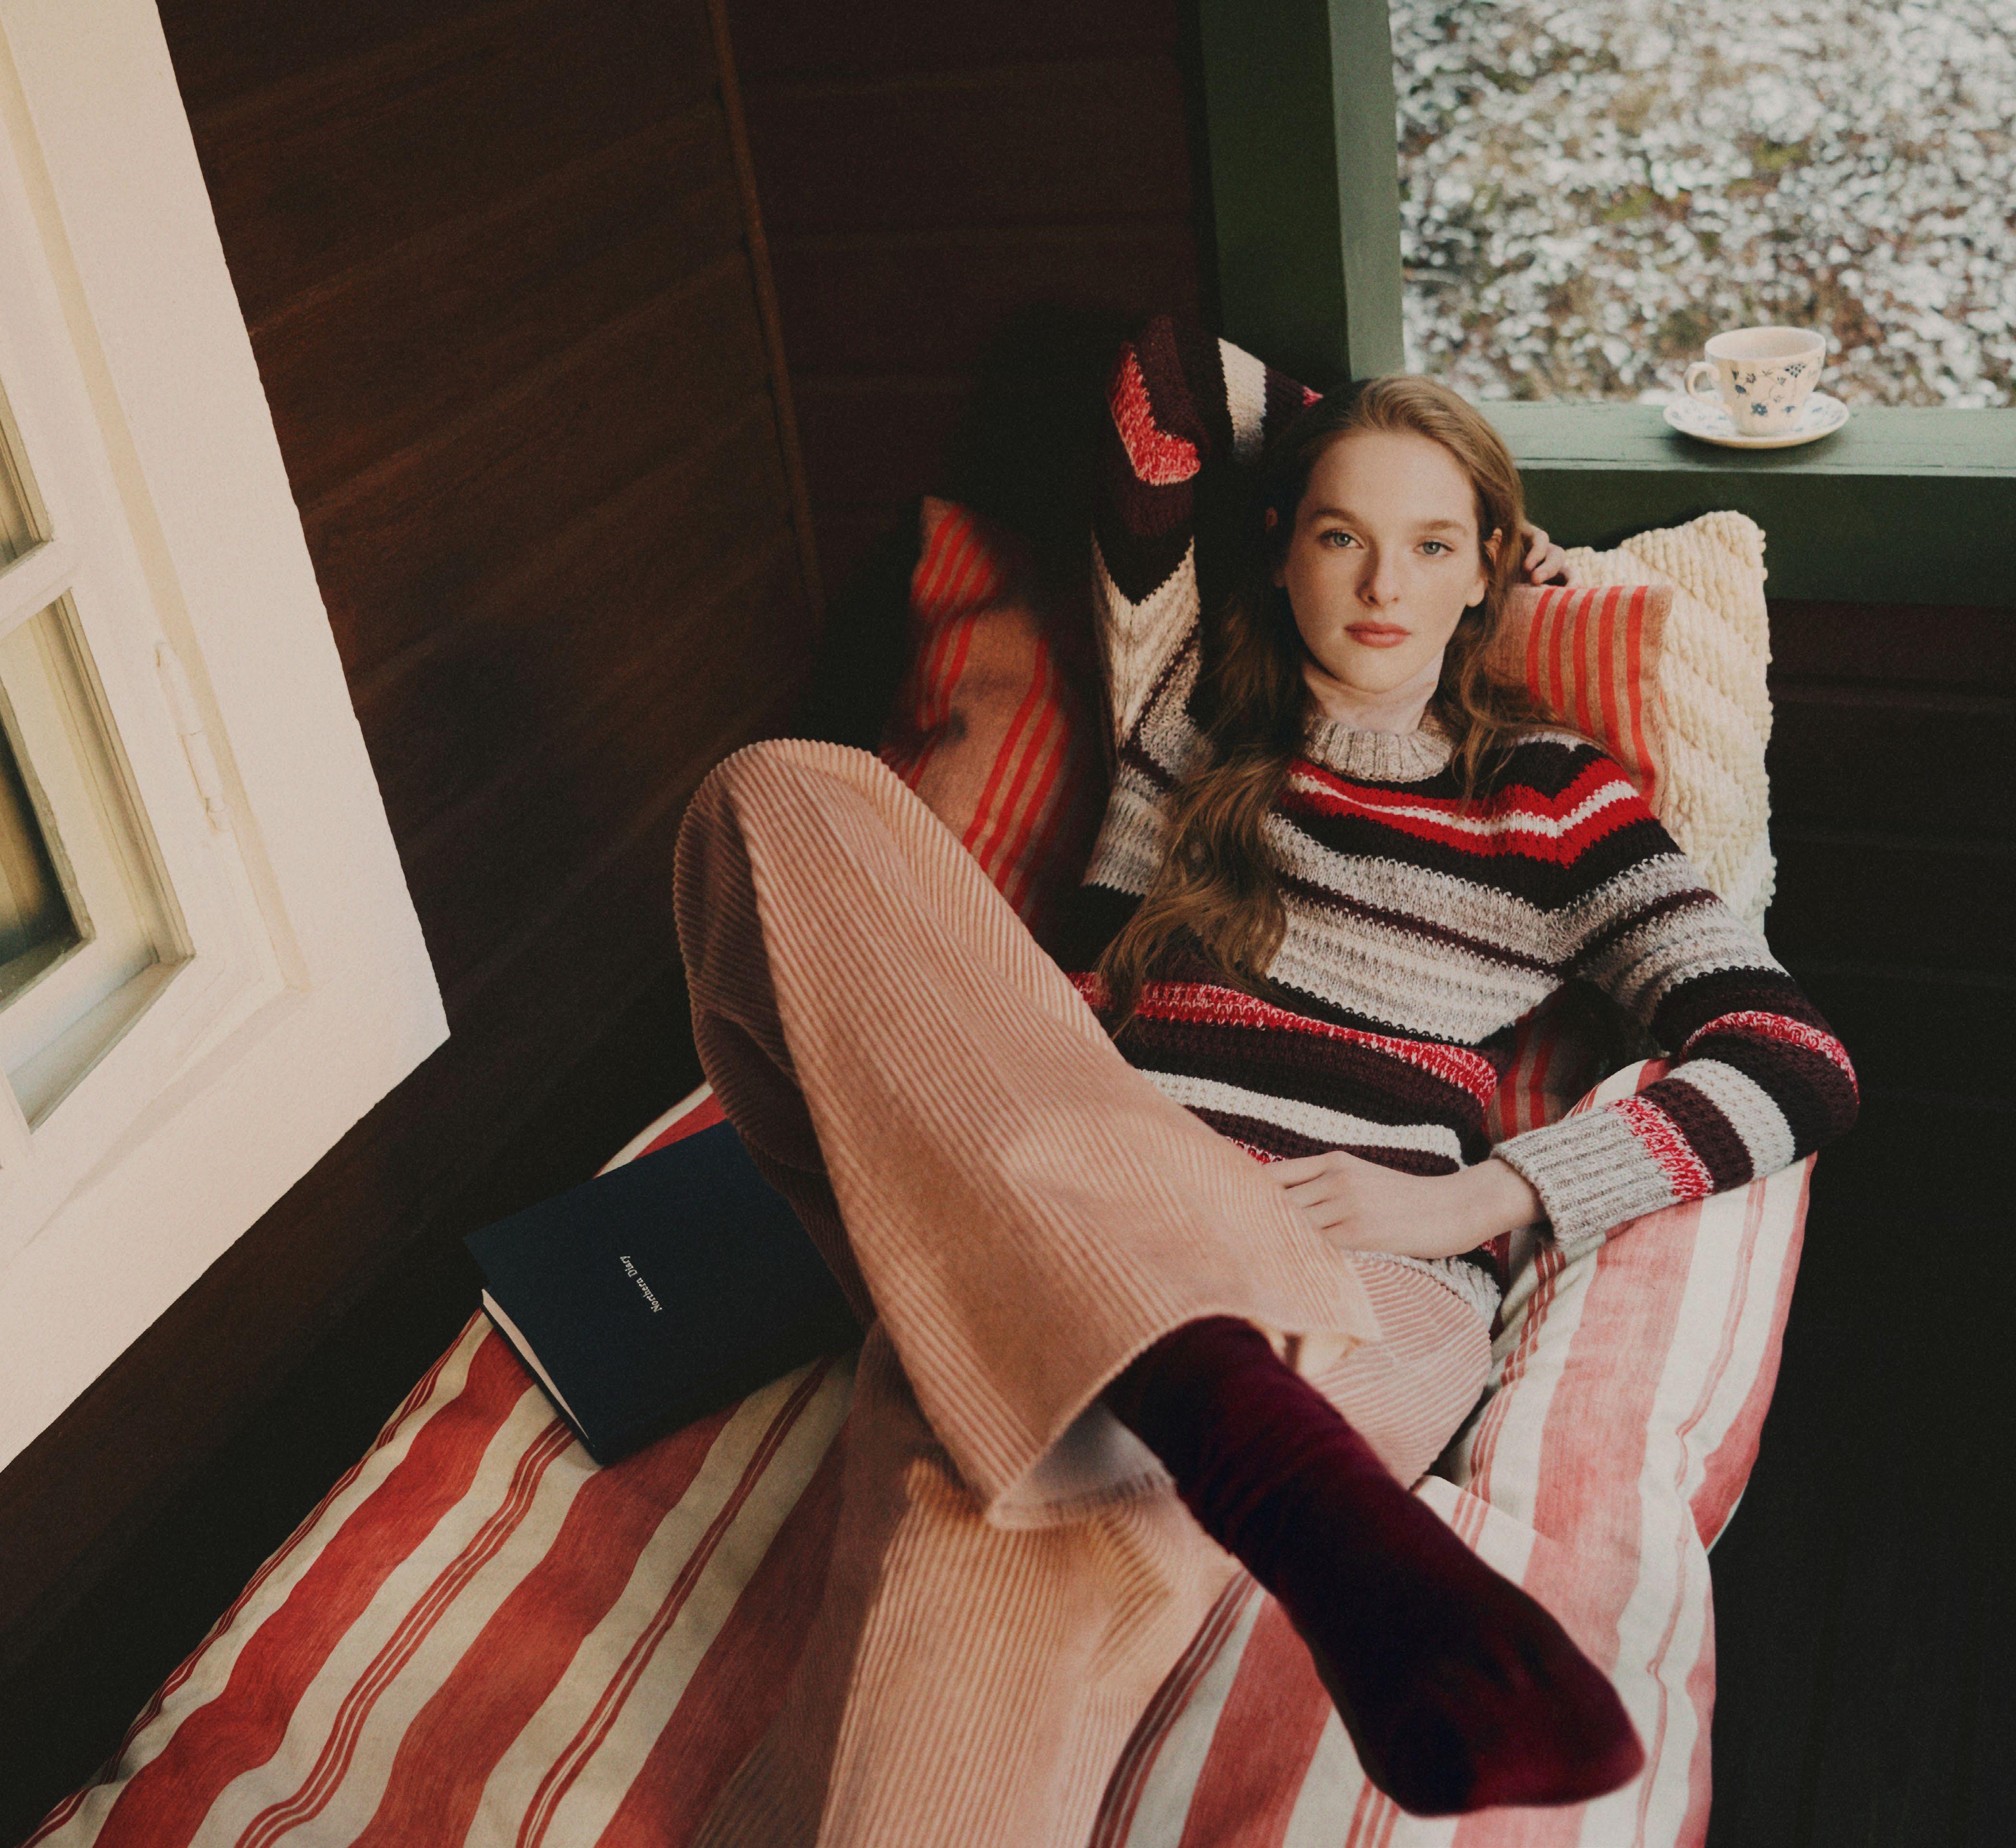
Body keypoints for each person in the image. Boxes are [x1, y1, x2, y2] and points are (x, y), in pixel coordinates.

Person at [674, 371, 1857, 1847]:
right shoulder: (1196, 728)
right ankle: (1238, 1432)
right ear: (1279, 544)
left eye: (1435, 545)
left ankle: (1195, 1397)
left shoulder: (1555, 798)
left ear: (1492, 568)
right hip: (1103, 1193)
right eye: (1342, 535)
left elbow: (1789, 1054)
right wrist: (1370, 437)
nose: (1384, 586)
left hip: (1356, 1271)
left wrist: (1479, 1197)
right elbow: (1169, 381)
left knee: (1003, 1466)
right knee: (782, 790)